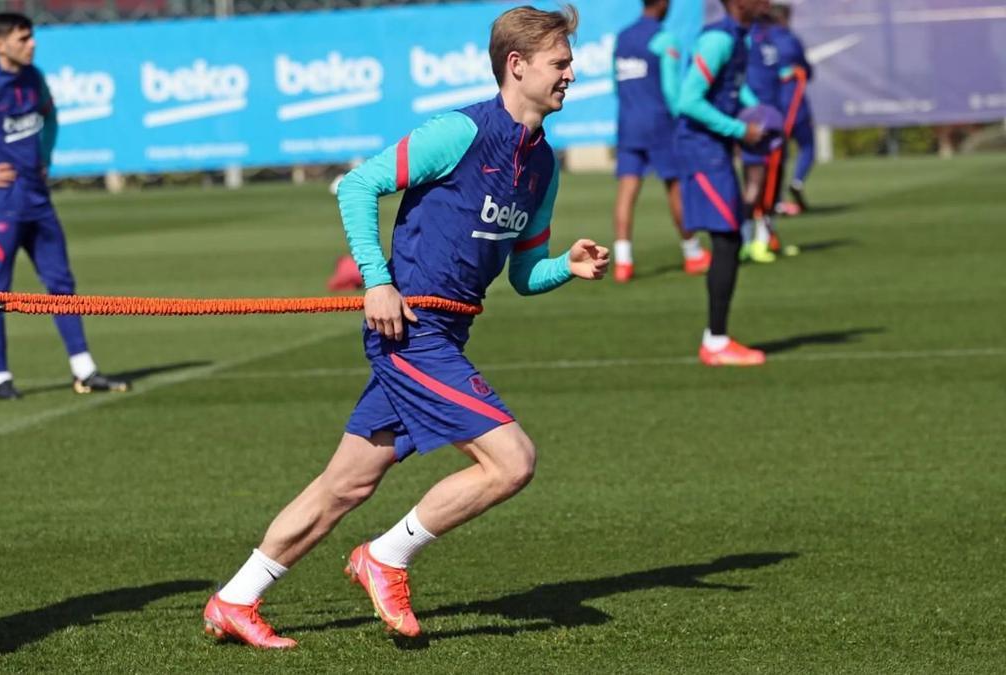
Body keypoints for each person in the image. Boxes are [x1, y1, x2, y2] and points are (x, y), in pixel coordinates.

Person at [203, 4, 609, 648]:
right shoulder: (460, 131)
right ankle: (387, 556)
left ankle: (234, 599)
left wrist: (567, 266)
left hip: (446, 333)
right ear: (517, 66)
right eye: (560, 63)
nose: (571, 74)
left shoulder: (542, 166)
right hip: (409, 330)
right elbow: (356, 186)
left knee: (346, 484)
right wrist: (377, 279)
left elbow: (524, 273)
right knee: (512, 461)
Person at [0, 12, 128, 400]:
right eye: (23, 38)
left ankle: (84, 370)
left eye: (31, 37)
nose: (32, 44)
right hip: (1, 207)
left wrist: (45, 157)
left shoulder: (35, 78)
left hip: (39, 201)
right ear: (1, 44)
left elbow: (50, 119)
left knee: (62, 285)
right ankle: (1, 378)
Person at [675, 0, 770, 366]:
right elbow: (689, 100)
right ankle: (715, 342)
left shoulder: (739, 36)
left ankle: (716, 338)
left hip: (715, 148)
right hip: (701, 150)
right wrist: (740, 128)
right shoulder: (718, 39)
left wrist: (758, 111)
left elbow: (733, 88)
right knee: (728, 237)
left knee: (730, 238)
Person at [611, 0, 711, 283]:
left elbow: (615, 82)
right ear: (664, 3)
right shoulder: (665, 39)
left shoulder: (623, 37)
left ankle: (623, 263)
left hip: (629, 124)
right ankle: (692, 254)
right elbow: (671, 90)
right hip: (659, 125)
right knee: (676, 188)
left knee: (627, 192)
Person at [738, 10, 781, 263]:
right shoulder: (742, 38)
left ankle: (762, 239)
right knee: (754, 183)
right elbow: (738, 81)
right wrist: (756, 111)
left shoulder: (770, 37)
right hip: (756, 123)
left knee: (771, 184)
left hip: (773, 122)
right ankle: (747, 242)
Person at [770, 1, 814, 214]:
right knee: (807, 146)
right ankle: (796, 181)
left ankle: (775, 199)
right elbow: (807, 70)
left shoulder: (763, 41)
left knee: (777, 154)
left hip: (772, 106)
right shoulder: (789, 40)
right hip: (794, 106)